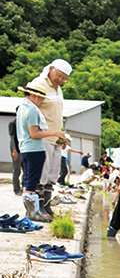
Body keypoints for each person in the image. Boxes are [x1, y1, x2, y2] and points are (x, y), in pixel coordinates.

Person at [27, 58, 72, 217]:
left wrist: (62, 135)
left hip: (56, 138)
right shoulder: (39, 84)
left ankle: (46, 206)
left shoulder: (58, 89)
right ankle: (37, 208)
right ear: (51, 69)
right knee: (41, 174)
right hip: (43, 138)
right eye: (59, 76)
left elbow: (57, 115)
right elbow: (30, 109)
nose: (60, 80)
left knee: (53, 174)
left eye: (64, 79)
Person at [15, 82, 66, 221]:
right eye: (41, 97)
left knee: (28, 181)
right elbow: (34, 133)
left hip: (25, 148)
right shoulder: (31, 110)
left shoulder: (22, 108)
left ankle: (31, 212)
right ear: (34, 96)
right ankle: (33, 213)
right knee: (32, 181)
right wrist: (54, 133)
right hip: (34, 149)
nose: (42, 100)